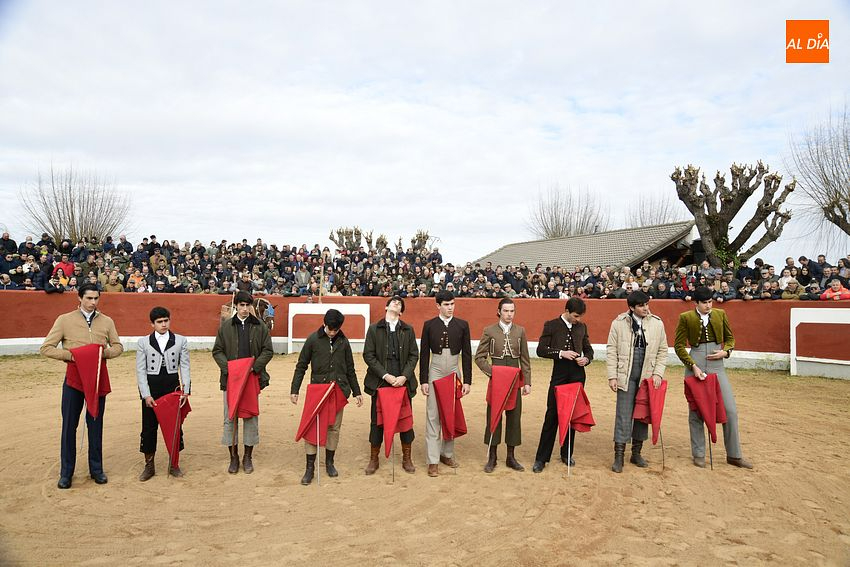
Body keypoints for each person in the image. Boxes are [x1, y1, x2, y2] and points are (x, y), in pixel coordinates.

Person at [40, 283, 124, 489]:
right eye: (89, 298)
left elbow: (119, 347)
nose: (93, 302)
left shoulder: (106, 321)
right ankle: (66, 473)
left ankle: (96, 470)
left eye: (96, 298)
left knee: (96, 424)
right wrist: (74, 356)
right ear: (79, 298)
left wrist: (100, 354)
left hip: (97, 378)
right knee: (69, 426)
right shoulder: (64, 320)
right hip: (74, 379)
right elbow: (46, 348)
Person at [674, 287, 752, 469]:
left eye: (710, 302)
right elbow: (678, 346)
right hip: (696, 362)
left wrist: (725, 352)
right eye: (705, 303)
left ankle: (734, 455)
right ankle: (699, 453)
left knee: (730, 410)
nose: (709, 306)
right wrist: (692, 366)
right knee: (696, 411)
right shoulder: (686, 318)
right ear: (696, 303)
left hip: (718, 365)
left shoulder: (720, 314)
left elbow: (730, 338)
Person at [291, 309, 363, 485]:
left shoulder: (344, 342)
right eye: (330, 329)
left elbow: (350, 369)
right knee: (312, 428)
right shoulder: (313, 340)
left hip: (338, 390)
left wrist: (357, 391)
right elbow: (301, 366)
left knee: (333, 428)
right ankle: (310, 468)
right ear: (324, 324)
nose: (332, 332)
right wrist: (295, 389)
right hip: (318, 391)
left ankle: (330, 462)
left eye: (335, 330)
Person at [605, 291, 669, 473]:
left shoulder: (657, 323)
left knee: (642, 413)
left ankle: (636, 453)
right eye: (641, 306)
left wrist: (657, 373)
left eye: (647, 304)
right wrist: (612, 376)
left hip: (647, 372)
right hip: (626, 372)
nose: (646, 308)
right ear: (632, 307)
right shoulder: (618, 323)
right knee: (623, 414)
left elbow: (663, 350)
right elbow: (611, 350)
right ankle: (619, 456)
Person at [212, 290, 274, 474]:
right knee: (230, 418)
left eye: (247, 306)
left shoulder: (260, 326)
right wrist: (230, 370)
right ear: (236, 306)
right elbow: (217, 351)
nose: (245, 309)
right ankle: (233, 457)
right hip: (231, 379)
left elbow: (267, 351)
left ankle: (247, 457)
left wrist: (254, 368)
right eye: (241, 305)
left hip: (251, 378)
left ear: (251, 307)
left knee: (250, 418)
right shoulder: (226, 327)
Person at [531, 297, 593, 473]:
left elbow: (588, 349)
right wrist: (561, 353)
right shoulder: (551, 325)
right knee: (552, 415)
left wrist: (586, 359)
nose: (578, 320)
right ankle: (541, 458)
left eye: (580, 316)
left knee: (571, 415)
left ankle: (567, 453)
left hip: (577, 375)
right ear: (566, 311)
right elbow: (541, 349)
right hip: (559, 374)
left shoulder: (582, 327)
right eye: (575, 316)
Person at [362, 296, 419, 475]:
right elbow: (368, 355)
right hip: (381, 381)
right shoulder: (373, 329)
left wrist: (404, 376)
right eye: (393, 301)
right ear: (386, 307)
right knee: (377, 421)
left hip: (402, 382)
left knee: (405, 421)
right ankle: (374, 458)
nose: (396, 303)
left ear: (401, 311)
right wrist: (385, 375)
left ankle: (406, 457)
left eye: (399, 303)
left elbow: (413, 355)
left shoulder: (408, 330)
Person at [474, 298, 531, 473]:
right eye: (506, 311)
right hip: (497, 380)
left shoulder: (520, 331)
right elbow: (479, 357)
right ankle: (492, 457)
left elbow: (525, 359)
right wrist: (492, 373)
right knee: (494, 417)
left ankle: (510, 457)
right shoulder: (489, 330)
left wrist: (527, 382)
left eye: (512, 311)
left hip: (514, 379)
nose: (509, 314)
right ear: (499, 311)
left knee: (514, 417)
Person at [419, 291, 472, 477]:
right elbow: (424, 354)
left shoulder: (462, 325)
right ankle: (432, 460)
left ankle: (446, 454)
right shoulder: (429, 325)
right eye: (446, 304)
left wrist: (467, 381)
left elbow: (466, 354)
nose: (450, 308)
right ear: (438, 306)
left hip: (453, 371)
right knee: (433, 414)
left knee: (450, 413)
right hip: (435, 370)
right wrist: (423, 380)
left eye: (452, 304)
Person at [135, 307, 191, 480]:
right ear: (152, 324)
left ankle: (174, 463)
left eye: (166, 320)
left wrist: (185, 390)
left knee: (174, 427)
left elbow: (185, 366)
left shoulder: (180, 340)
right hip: (152, 387)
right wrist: (146, 394)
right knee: (149, 427)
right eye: (159, 322)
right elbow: (141, 370)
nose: (163, 324)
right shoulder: (143, 342)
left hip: (172, 386)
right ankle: (149, 465)